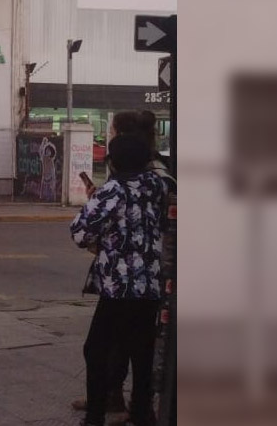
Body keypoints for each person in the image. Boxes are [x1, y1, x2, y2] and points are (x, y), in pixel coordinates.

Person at [71, 133, 167, 426]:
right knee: (141, 351)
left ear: (114, 161)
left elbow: (80, 232)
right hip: (150, 286)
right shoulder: (156, 185)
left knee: (96, 350)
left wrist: (94, 203)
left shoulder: (113, 190)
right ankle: (141, 411)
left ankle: (96, 415)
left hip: (119, 287)